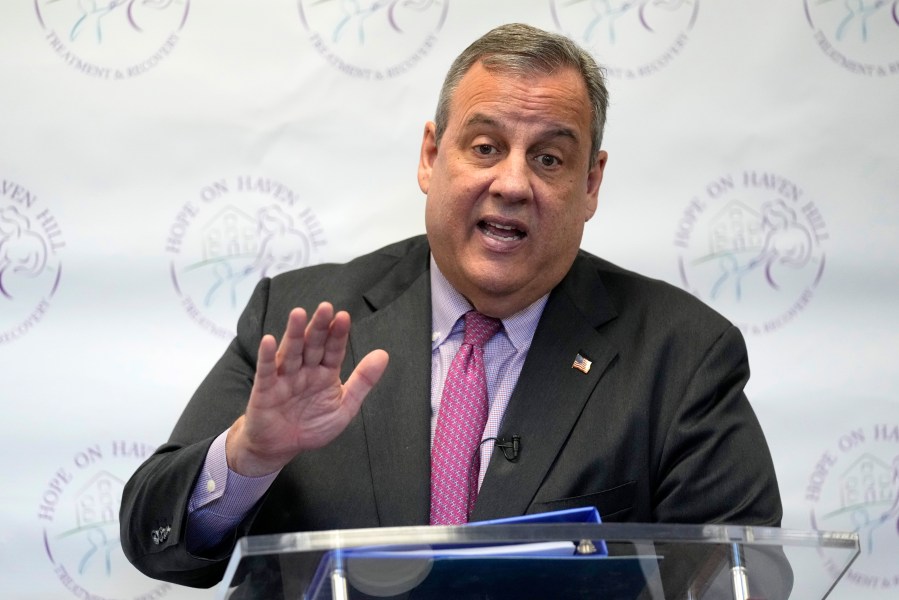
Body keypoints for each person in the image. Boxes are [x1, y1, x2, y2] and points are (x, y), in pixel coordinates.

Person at [120, 23, 782, 590]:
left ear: (590, 184)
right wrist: (249, 455)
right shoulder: (300, 317)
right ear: (432, 156)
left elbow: (742, 573)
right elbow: (154, 540)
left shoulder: (681, 354)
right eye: (485, 147)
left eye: (549, 158)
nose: (513, 183)